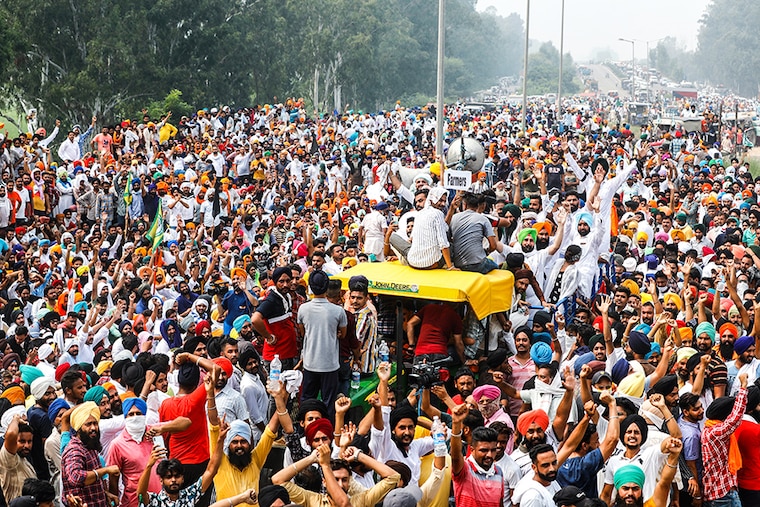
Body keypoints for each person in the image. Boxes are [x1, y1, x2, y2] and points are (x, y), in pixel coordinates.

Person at [106, 397, 192, 507]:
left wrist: (163, 429)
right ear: (125, 417)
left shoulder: (154, 431)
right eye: (131, 414)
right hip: (135, 502)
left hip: (163, 500)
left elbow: (186, 422)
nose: (135, 417)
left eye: (139, 413)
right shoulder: (117, 444)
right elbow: (113, 479)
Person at [271, 443, 400, 507]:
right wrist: (311, 459)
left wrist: (358, 455)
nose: (340, 485)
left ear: (350, 481)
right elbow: (278, 480)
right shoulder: (314, 501)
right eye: (335, 479)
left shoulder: (361, 501)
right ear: (324, 481)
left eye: (344, 480)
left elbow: (393, 476)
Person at [136, 416, 227, 507]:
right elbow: (141, 494)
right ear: (161, 480)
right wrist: (149, 465)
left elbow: (211, 471)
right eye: (168, 477)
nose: (173, 480)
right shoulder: (155, 501)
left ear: (182, 478)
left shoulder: (190, 495)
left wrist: (220, 440)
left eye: (177, 476)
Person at [297, 270, 347, 418]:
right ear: (326, 288)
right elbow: (342, 334)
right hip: (330, 365)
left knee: (307, 399)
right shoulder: (338, 311)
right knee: (329, 402)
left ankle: (304, 431)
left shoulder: (303, 308)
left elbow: (302, 332)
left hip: (310, 363)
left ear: (310, 288)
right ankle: (328, 431)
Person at [61, 402, 121, 507]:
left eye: (95, 423)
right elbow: (76, 477)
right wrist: (105, 470)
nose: (93, 428)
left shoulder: (90, 445)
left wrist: (105, 493)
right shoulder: (75, 450)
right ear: (78, 428)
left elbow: (93, 482)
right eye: (88, 424)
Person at [450, 404, 504, 507]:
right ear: (472, 450)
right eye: (484, 450)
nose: (489, 455)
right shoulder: (465, 469)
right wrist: (456, 424)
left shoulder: (499, 472)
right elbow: (455, 456)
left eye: (493, 450)